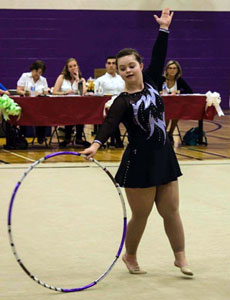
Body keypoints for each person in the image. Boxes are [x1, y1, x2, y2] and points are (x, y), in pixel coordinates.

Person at [81, 8, 193, 277]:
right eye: (123, 68)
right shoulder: (121, 101)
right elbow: (108, 125)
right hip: (138, 160)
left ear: (140, 66)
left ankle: (181, 258)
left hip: (164, 154)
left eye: (132, 65)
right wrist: (96, 144)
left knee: (171, 211)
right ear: (119, 73)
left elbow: (159, 54)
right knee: (141, 216)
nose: (128, 70)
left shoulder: (154, 81)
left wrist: (164, 28)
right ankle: (129, 255)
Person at [52, 58, 90, 148]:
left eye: (74, 66)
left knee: (81, 112)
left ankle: (79, 138)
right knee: (69, 113)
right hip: (64, 105)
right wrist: (65, 92)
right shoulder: (62, 78)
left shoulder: (82, 80)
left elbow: (83, 93)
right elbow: (54, 92)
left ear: (77, 67)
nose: (73, 68)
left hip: (77, 106)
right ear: (67, 69)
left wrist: (77, 79)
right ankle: (67, 138)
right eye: (70, 66)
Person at [158, 60, 193, 145]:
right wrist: (159, 92)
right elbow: (154, 89)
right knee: (167, 113)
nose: (172, 70)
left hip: (174, 105)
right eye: (170, 68)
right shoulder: (161, 79)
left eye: (174, 68)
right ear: (166, 70)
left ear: (178, 70)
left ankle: (170, 133)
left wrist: (179, 92)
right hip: (161, 105)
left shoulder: (179, 80)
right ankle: (164, 133)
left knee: (176, 113)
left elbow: (190, 91)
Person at [95, 56, 125, 148]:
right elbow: (97, 96)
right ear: (105, 65)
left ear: (116, 66)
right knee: (113, 111)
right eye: (109, 63)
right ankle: (117, 139)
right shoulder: (100, 80)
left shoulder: (122, 79)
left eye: (113, 63)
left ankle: (116, 139)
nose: (111, 66)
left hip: (122, 104)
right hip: (106, 106)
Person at [17, 60, 49, 144]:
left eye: (39, 72)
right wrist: (24, 93)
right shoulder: (25, 76)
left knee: (44, 114)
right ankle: (22, 136)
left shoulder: (43, 80)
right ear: (32, 69)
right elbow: (18, 90)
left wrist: (41, 93)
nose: (37, 74)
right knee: (23, 115)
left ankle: (41, 136)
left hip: (39, 106)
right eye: (35, 71)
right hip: (26, 104)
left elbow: (46, 92)